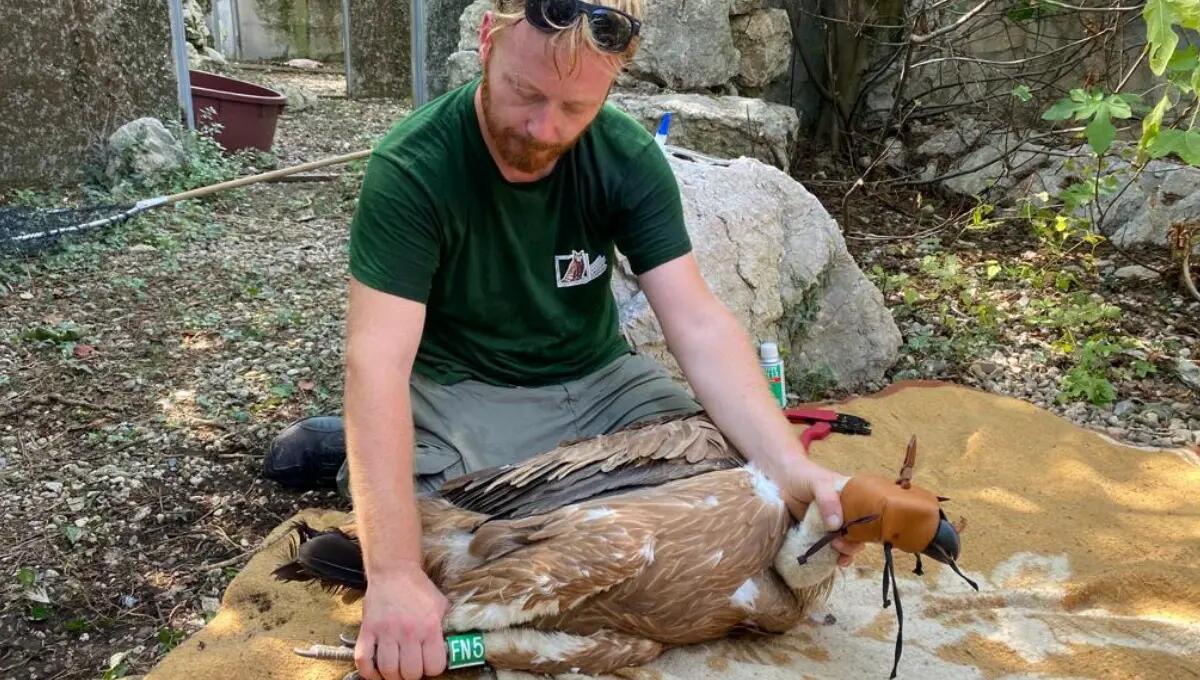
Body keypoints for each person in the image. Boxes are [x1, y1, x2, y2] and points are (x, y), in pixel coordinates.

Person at [266, 1, 863, 678]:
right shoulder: (412, 166)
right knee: (417, 525)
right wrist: (397, 571)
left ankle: (543, 508)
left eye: (576, 108)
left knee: (760, 508)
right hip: (465, 394)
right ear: (490, 39)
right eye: (526, 92)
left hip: (599, 389)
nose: (544, 129)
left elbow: (696, 321)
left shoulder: (627, 156)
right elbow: (376, 361)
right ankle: (363, 450)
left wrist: (792, 469)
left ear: (613, 81)